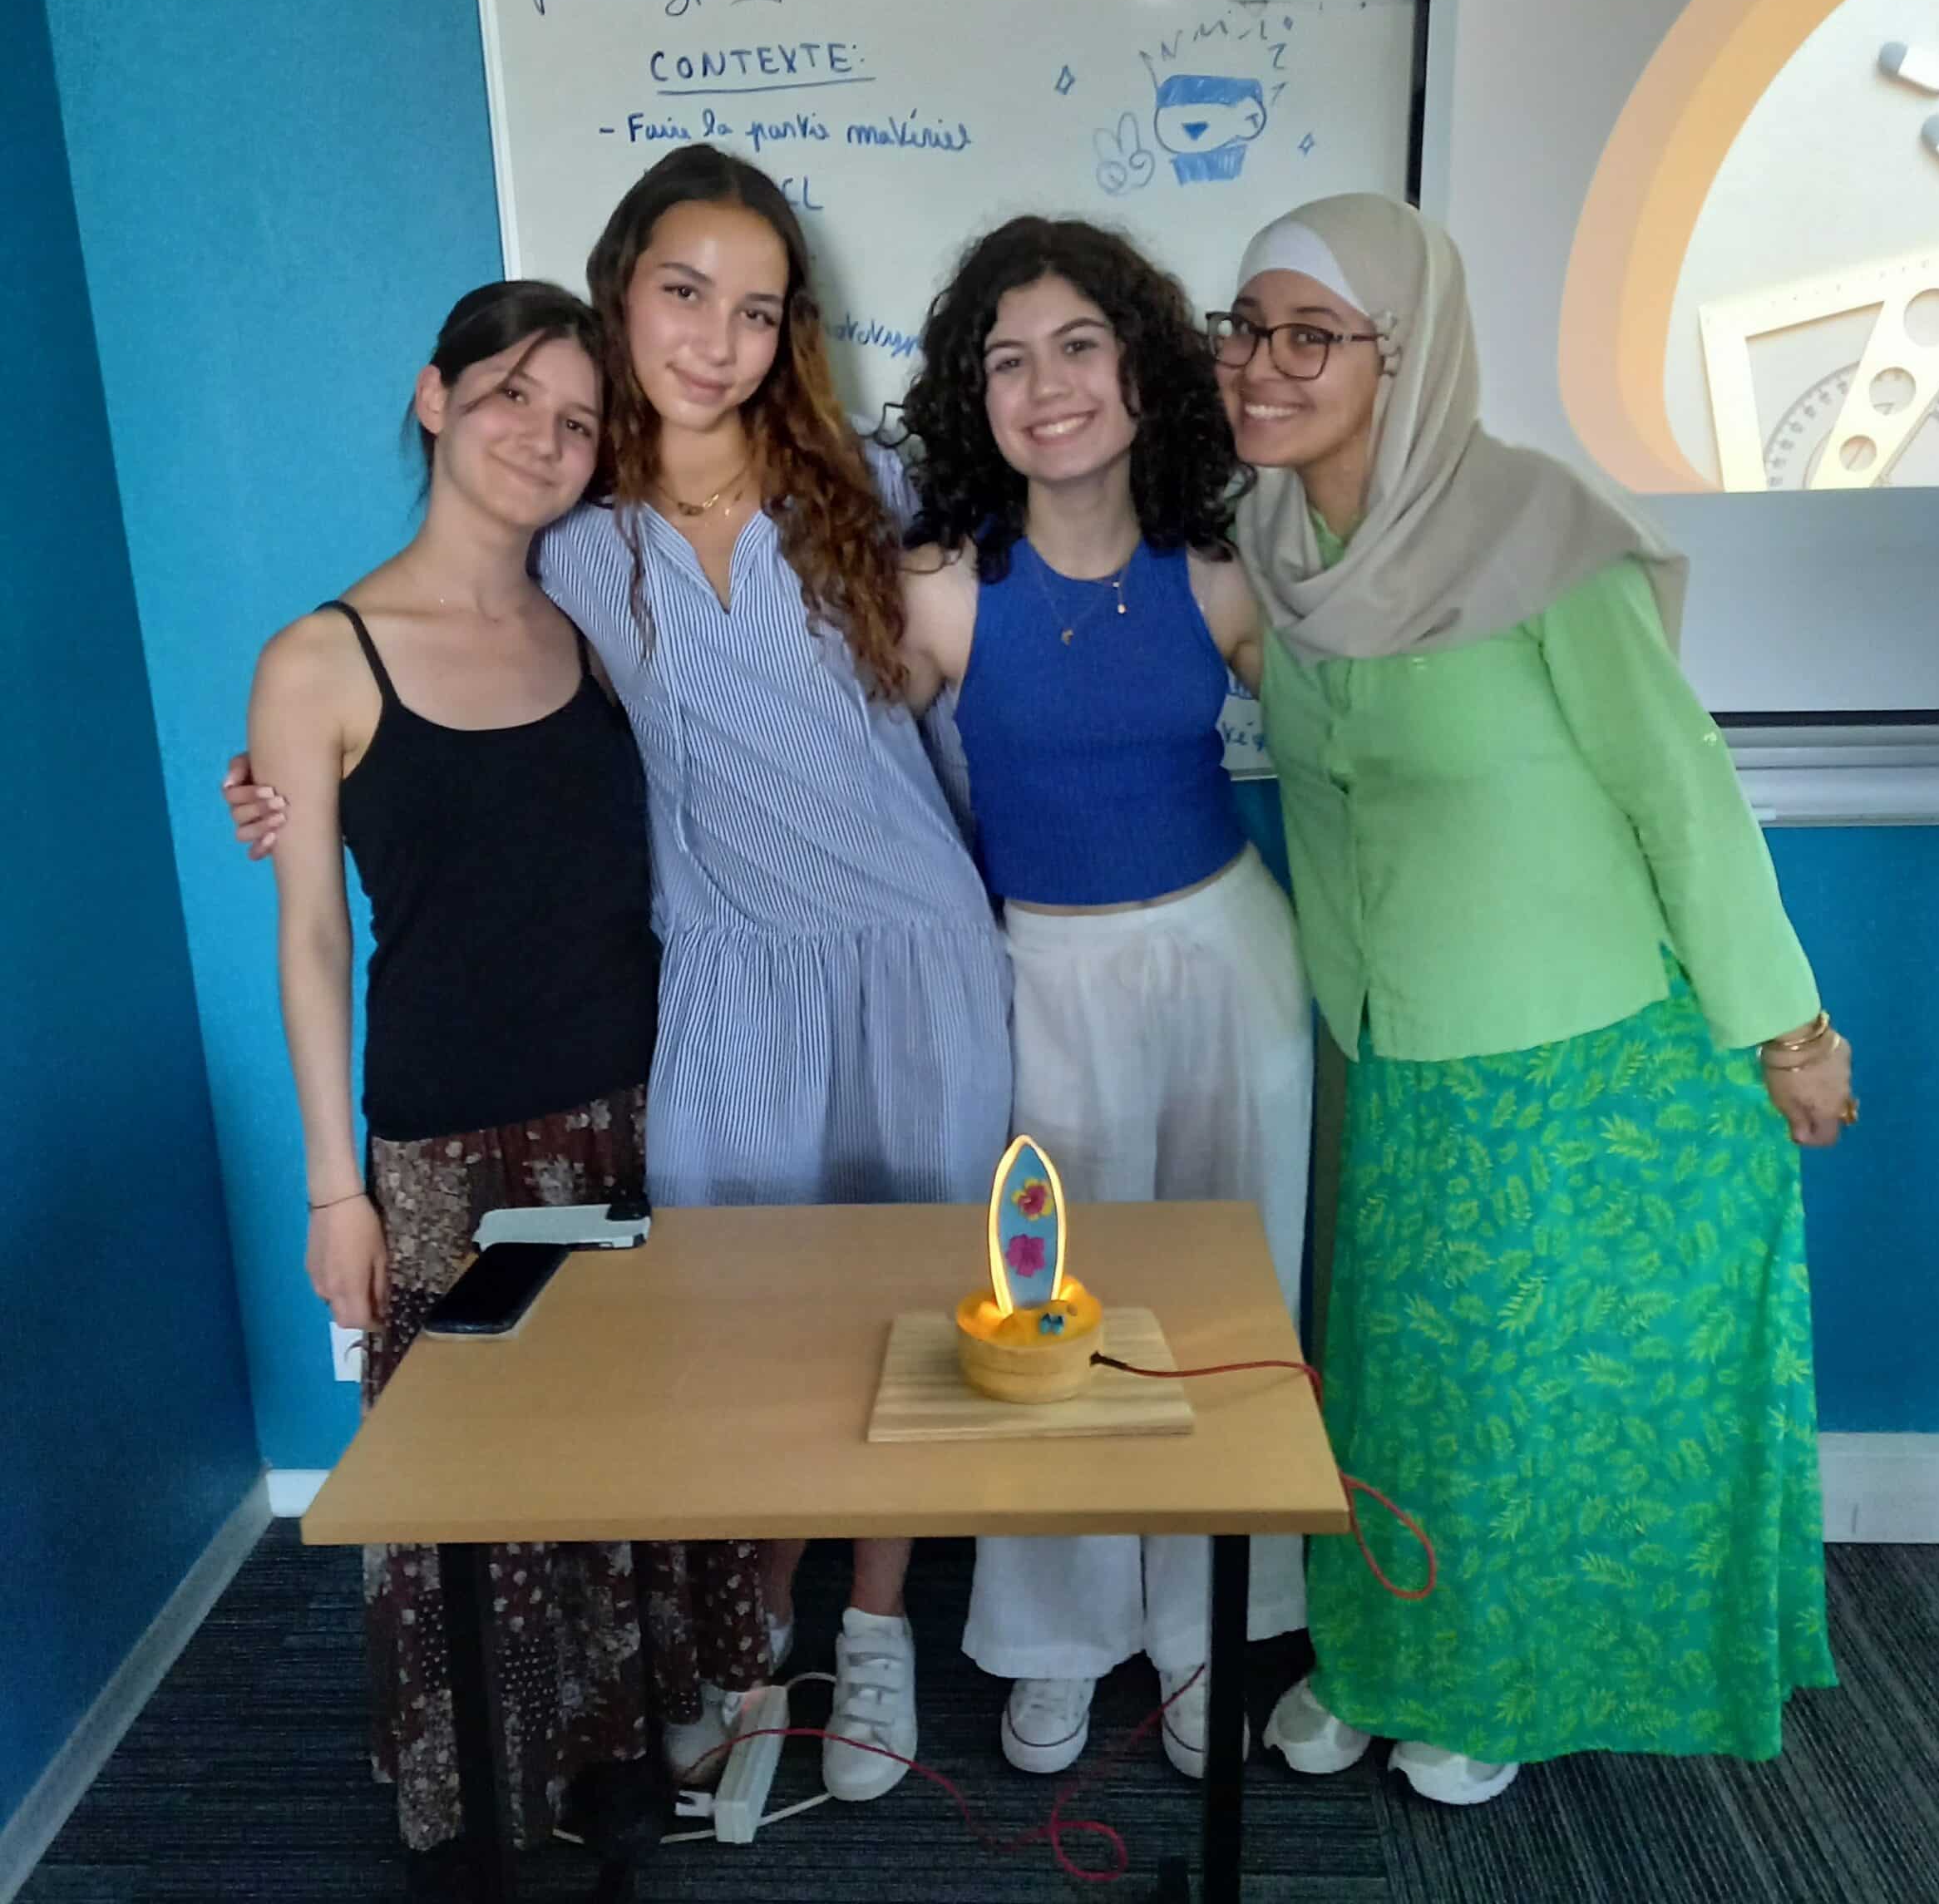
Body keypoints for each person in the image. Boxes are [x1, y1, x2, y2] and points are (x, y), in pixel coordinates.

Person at [229, 150, 1013, 1802]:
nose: (715, 341)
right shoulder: (570, 544)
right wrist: (283, 787)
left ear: (790, 333)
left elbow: (996, 681)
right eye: (682, 292)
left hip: (915, 962)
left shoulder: (869, 487)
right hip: (721, 984)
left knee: (909, 1317)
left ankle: (876, 1622)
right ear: (620, 289)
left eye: (756, 310)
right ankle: (754, 1626)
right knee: (740, 1337)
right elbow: (455, 725)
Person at [1213, 195, 1852, 1807]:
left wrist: (1787, 1030)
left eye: (1311, 335)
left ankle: (1487, 1683)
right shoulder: (1275, 551)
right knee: (1393, 1376)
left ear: (1403, 351)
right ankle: (1377, 1653)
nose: (1263, 364)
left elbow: (1680, 792)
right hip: (1393, 1053)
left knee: (1520, 1397)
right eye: (1246, 328)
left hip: (1584, 1054)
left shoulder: (1538, 534)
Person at [244, 282, 767, 1895]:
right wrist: (334, 1188)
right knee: (468, 1490)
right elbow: (312, 934)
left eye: (577, 418)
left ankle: (611, 1756)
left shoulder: (596, 622)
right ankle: (476, 1795)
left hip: (629, 1117)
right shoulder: (321, 658)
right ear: (433, 398)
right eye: (509, 396)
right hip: (443, 1147)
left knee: (619, 1457)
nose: (542, 437)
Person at [894, 216, 1313, 1782]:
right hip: (1044, 978)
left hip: (1227, 964)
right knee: (1049, 1309)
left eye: (1079, 345)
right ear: (975, 398)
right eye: (1008, 360)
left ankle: (1211, 1627)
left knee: (1224, 1309)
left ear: (1140, 370)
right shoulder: (942, 586)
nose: (1048, 385)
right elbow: (821, 777)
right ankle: (1058, 1634)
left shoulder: (1220, 568)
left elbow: (1373, 749)